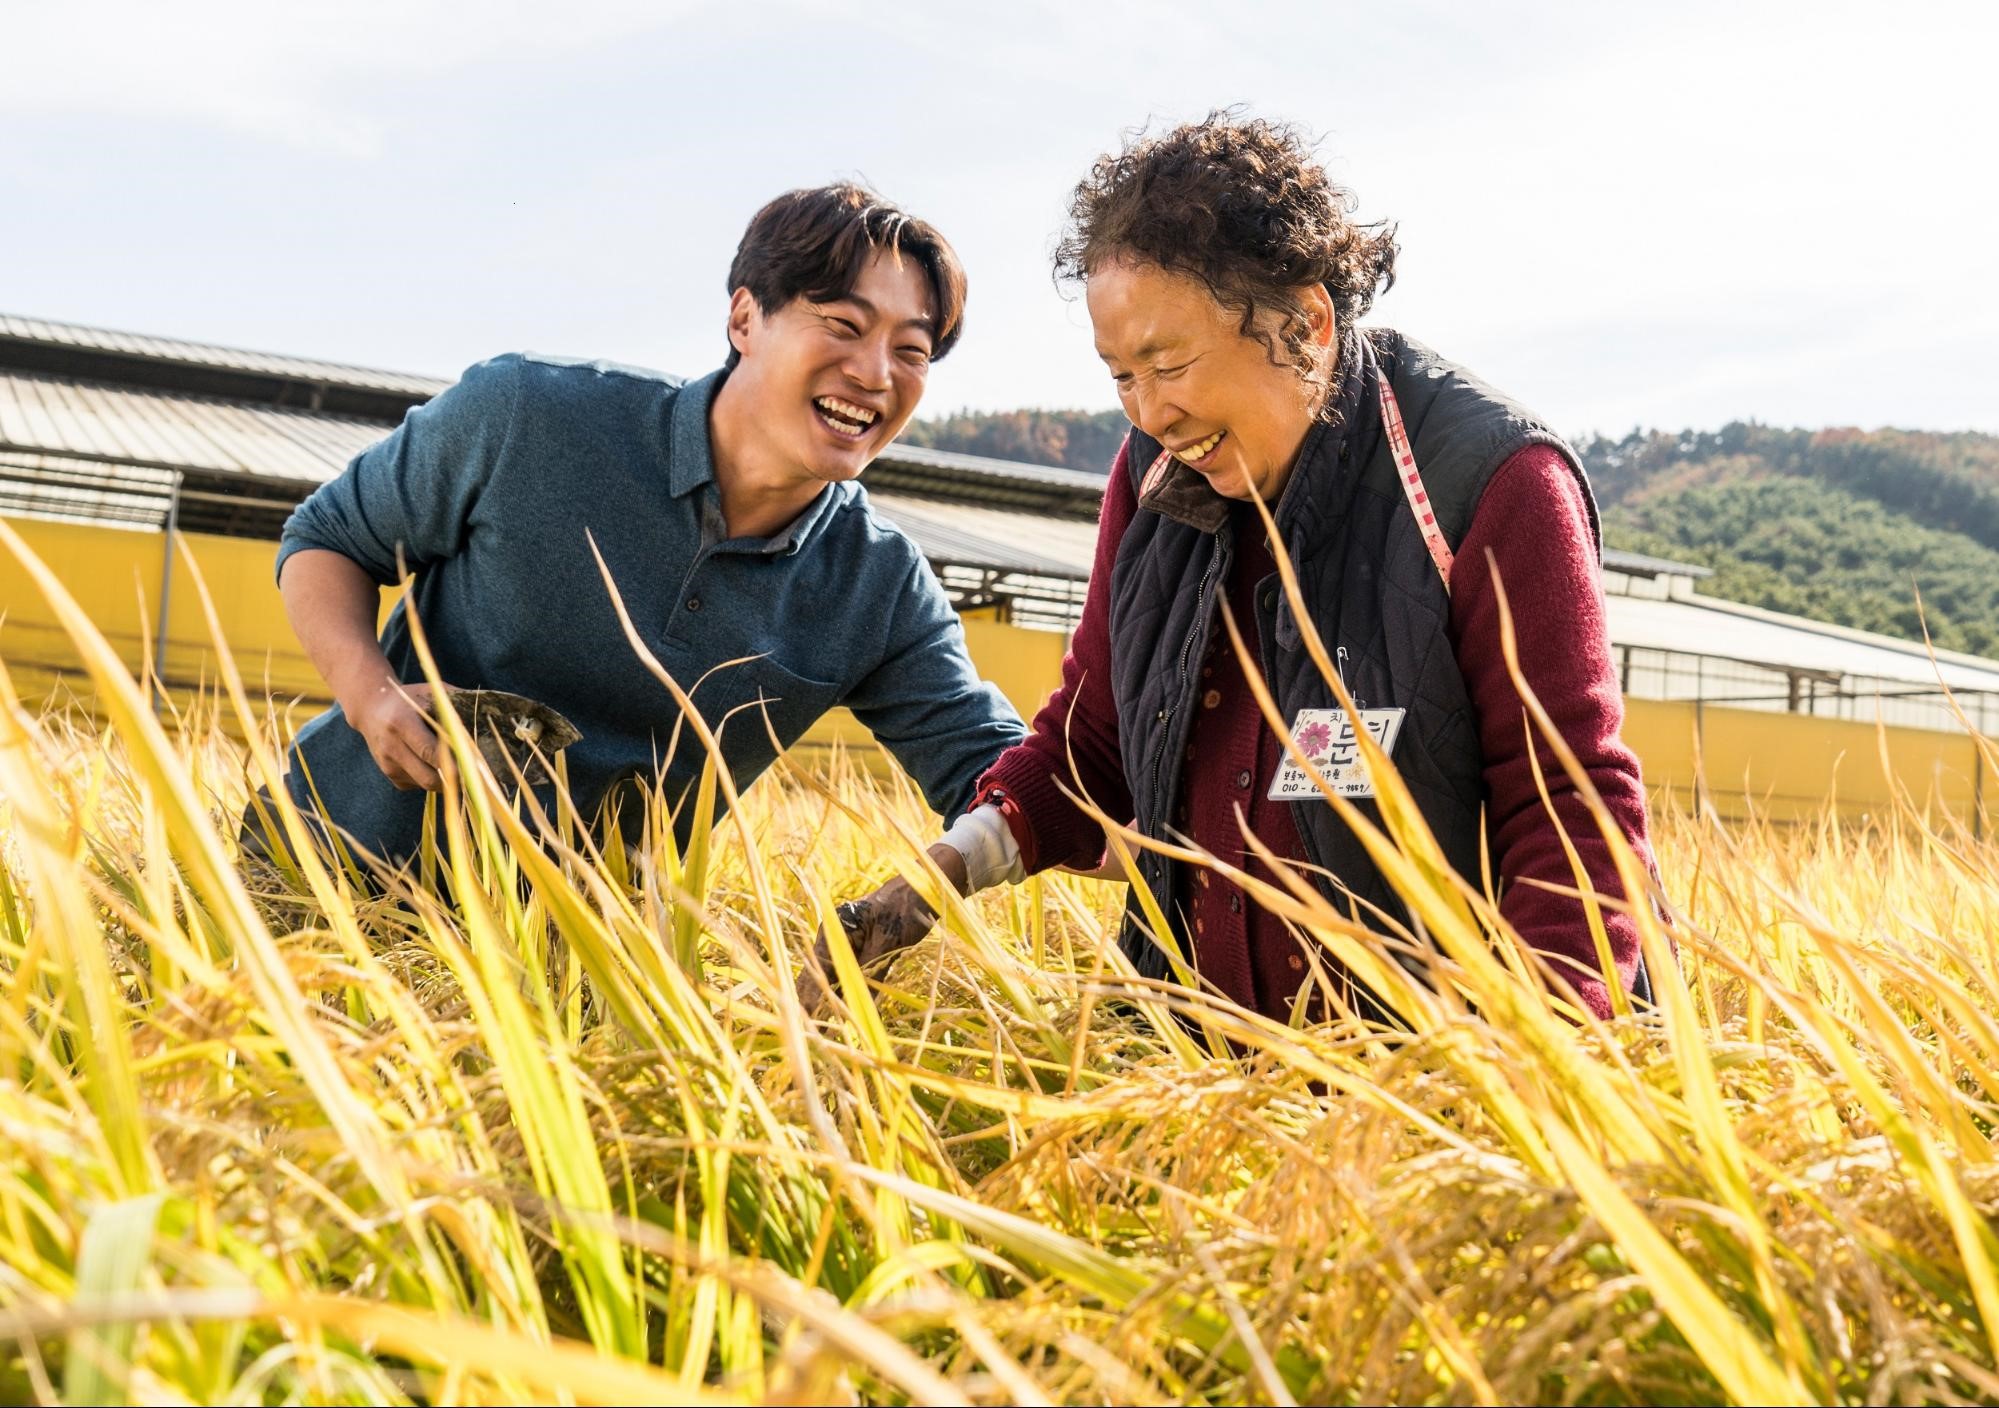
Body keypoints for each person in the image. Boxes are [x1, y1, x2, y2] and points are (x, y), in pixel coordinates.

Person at [825, 115, 1656, 1024]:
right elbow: (1090, 740)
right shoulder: (1148, 478)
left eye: (1168, 364)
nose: (1148, 414)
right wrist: (928, 886)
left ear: (1302, 321)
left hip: (1428, 1078)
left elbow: (1571, 813)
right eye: (1119, 377)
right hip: (1194, 1069)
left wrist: (1536, 1075)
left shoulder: (1486, 483)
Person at [265, 184, 1024, 869]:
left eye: (911, 351)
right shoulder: (527, 414)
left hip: (576, 980)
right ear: (745, 318)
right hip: (321, 873)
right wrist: (371, 697)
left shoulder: (879, 588)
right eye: (842, 325)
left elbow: (1000, 776)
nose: (875, 374)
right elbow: (326, 539)